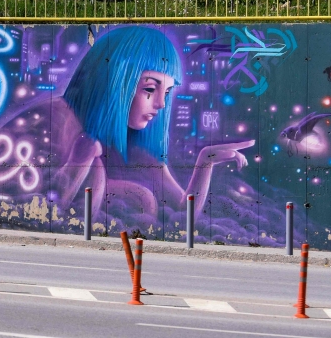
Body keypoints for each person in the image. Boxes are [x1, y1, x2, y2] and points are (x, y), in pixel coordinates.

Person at [51, 26, 254, 217]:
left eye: (166, 92)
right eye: (149, 89)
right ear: (114, 81)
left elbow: (184, 213)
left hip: (126, 245)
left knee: (143, 199)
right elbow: (45, 205)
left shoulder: (140, 146)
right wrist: (78, 164)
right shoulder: (60, 119)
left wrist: (205, 161)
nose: (161, 104)